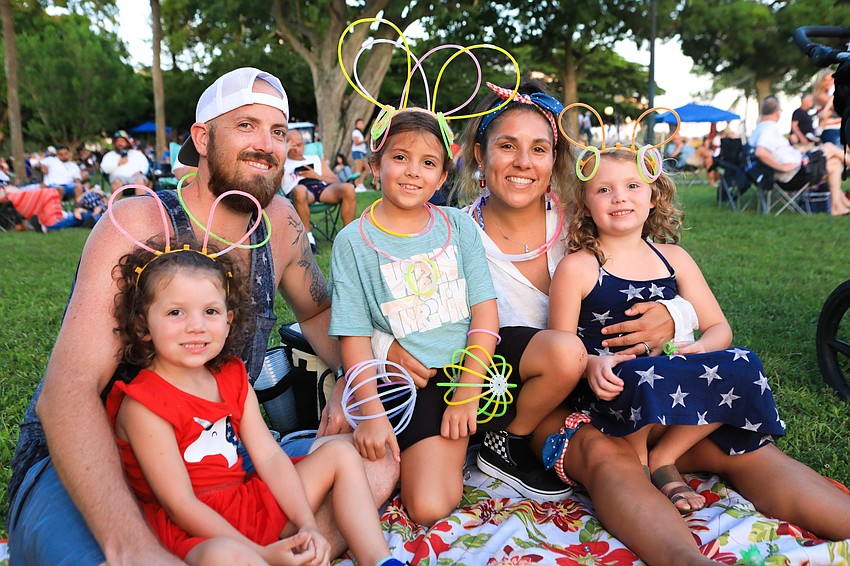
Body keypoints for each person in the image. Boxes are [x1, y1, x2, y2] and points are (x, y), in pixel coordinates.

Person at [8, 67, 399, 565]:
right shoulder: (140, 221)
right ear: (201, 136)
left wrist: (350, 378)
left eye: (278, 131)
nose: (266, 144)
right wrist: (131, 547)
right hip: (105, 458)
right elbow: (68, 390)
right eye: (246, 126)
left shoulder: (277, 219)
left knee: (375, 464)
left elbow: (320, 309)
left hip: (217, 459)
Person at [106, 233, 400, 566]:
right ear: (144, 325)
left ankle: (379, 559)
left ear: (228, 321)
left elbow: (270, 458)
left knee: (340, 453)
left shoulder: (231, 375)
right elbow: (180, 505)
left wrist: (306, 525)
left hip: (246, 501)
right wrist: (259, 553)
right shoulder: (144, 404)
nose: (196, 327)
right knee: (227, 556)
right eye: (176, 312)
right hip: (195, 530)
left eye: (211, 311)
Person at [548, 145, 786, 514]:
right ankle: (636, 456)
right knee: (639, 373)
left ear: (654, 196)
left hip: (672, 373)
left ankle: (664, 456)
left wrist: (700, 349)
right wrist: (592, 363)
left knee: (744, 363)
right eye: (604, 189)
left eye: (632, 186)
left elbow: (719, 327)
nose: (619, 198)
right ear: (585, 204)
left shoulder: (674, 259)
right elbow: (559, 344)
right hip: (614, 385)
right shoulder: (578, 267)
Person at [328, 108, 503, 526]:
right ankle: (452, 445)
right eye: (400, 157)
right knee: (428, 506)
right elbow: (352, 334)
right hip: (419, 385)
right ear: (375, 166)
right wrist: (368, 411)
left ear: (443, 177)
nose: (413, 172)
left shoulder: (458, 226)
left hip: (481, 369)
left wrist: (467, 391)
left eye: (428, 163)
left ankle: (502, 442)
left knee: (559, 356)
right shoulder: (352, 242)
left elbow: (485, 314)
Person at [751, 95, 850, 216]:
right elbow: (760, 152)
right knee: (829, 147)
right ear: (777, 112)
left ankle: (837, 207)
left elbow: (777, 151)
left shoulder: (759, 129)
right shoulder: (768, 129)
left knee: (834, 164)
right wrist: (783, 168)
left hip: (799, 166)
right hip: (794, 175)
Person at [281, 129, 356, 253]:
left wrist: (316, 176)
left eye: (299, 145)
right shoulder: (281, 162)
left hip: (320, 188)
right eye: (292, 145)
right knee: (300, 190)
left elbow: (335, 180)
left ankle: (349, 237)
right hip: (299, 192)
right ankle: (309, 239)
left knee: (348, 188)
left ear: (304, 144)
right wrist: (284, 151)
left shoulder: (315, 159)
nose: (296, 149)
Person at [100, 130, 151, 196]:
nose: (119, 143)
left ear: (127, 142)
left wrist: (140, 172)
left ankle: (141, 204)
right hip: (117, 178)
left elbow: (145, 164)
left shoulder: (136, 153)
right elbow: (104, 168)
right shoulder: (109, 155)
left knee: (140, 181)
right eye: (117, 141)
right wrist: (118, 164)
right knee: (116, 182)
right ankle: (115, 204)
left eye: (122, 141)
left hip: (135, 177)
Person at [813, 69, 842, 147]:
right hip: (831, 129)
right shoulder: (820, 96)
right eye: (825, 80)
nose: (829, 82)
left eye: (831, 79)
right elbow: (835, 103)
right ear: (820, 83)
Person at [350, 118, 369, 191]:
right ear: (356, 125)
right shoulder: (356, 132)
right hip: (358, 152)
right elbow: (356, 142)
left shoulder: (360, 132)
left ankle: (360, 183)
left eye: (362, 123)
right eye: (359, 123)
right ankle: (356, 185)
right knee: (358, 170)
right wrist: (365, 140)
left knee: (367, 168)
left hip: (361, 152)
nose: (361, 125)